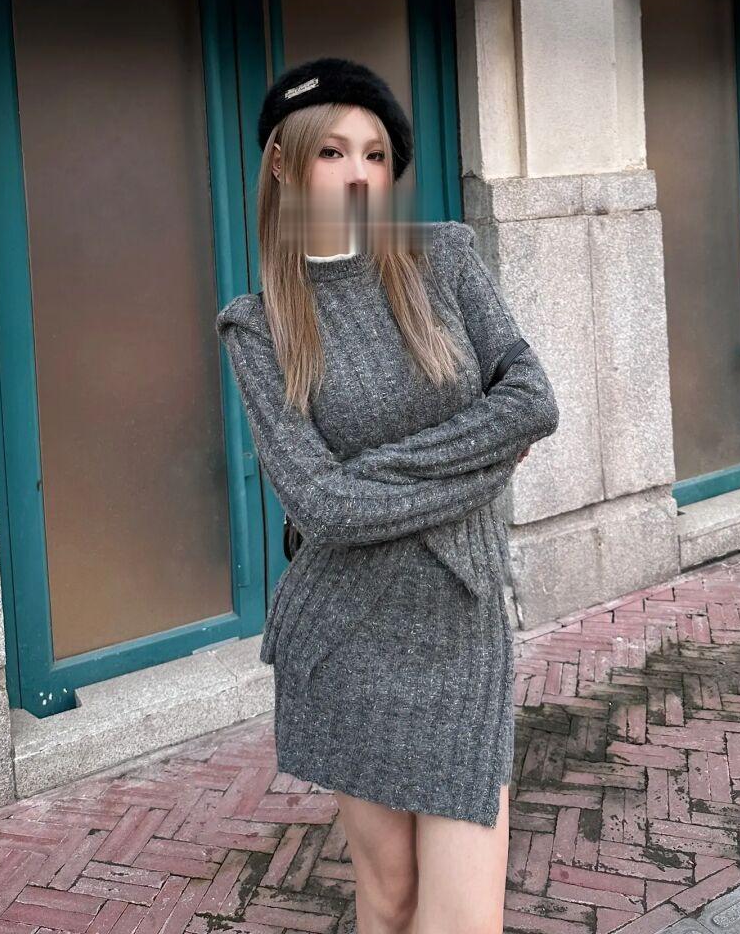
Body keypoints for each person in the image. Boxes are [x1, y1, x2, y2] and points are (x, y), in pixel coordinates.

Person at [215, 55, 560, 934]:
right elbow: (321, 509)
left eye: (375, 154)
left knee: (464, 919)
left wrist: (372, 479)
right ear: (285, 163)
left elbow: (532, 401)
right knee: (391, 897)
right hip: (347, 633)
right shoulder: (259, 326)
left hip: (463, 622)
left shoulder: (442, 258)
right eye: (333, 152)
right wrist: (486, 461)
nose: (359, 174)